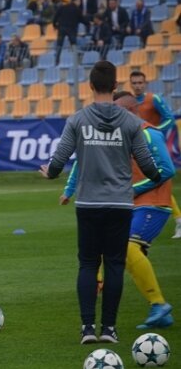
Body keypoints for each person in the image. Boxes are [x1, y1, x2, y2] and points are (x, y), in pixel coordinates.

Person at [40, 60, 160, 345]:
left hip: (89, 204)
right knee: (115, 265)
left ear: (91, 86)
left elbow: (60, 159)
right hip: (119, 204)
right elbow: (146, 162)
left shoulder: (79, 120)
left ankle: (86, 329)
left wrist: (51, 173)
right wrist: (158, 177)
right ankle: (109, 329)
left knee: (87, 265)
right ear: (115, 86)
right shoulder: (130, 122)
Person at [62, 91, 175, 330]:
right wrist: (70, 188)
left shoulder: (149, 133)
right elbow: (83, 160)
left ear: (127, 110)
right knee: (117, 250)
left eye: (115, 111)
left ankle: (159, 304)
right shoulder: (121, 132)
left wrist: (134, 189)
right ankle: (158, 310)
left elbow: (167, 170)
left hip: (154, 204)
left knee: (127, 247)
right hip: (129, 205)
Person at [129, 70, 181, 237]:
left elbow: (169, 119)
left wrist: (156, 130)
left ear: (145, 84)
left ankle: (178, 218)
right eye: (134, 83)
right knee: (150, 182)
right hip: (138, 149)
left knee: (159, 180)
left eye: (140, 83)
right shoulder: (130, 103)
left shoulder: (154, 99)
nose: (137, 86)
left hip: (155, 147)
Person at [52, 0, 83, 65]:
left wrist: (55, 25)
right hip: (71, 29)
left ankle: (57, 60)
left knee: (59, 44)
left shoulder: (63, 7)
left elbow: (55, 16)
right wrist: (89, 22)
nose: (80, 3)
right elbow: (81, 19)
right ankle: (75, 60)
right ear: (76, 1)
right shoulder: (76, 9)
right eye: (79, 1)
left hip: (62, 28)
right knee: (73, 44)